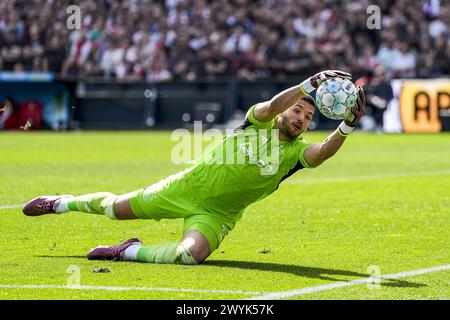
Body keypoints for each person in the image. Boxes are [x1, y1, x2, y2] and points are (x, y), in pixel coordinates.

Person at [22, 70, 365, 265]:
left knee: (190, 257)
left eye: (307, 117)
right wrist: (309, 84)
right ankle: (61, 202)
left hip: (218, 215)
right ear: (285, 113)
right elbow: (275, 103)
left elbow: (321, 154)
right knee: (114, 209)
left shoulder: (297, 154)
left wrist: (347, 125)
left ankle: (127, 251)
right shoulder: (258, 121)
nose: (301, 119)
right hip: (186, 187)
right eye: (297, 112)